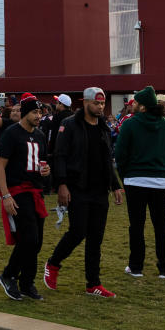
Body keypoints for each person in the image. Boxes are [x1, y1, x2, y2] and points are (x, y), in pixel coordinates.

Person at [44, 87, 123, 298]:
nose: (99, 107)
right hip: (77, 187)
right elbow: (59, 155)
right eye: (96, 103)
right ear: (85, 102)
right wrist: (61, 184)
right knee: (78, 232)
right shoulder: (69, 125)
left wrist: (115, 185)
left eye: (102, 103)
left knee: (96, 238)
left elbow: (107, 160)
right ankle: (53, 263)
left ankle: (93, 283)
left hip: (99, 190)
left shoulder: (103, 128)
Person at [114, 86, 165, 280]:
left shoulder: (129, 124)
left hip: (135, 180)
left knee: (136, 225)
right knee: (161, 225)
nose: (132, 105)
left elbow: (120, 154)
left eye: (135, 102)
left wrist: (126, 175)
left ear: (143, 106)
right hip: (160, 182)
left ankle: (136, 267)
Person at [0, 95, 52, 301]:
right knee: (29, 238)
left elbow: (40, 161)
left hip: (35, 191)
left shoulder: (39, 135)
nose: (38, 116)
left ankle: (27, 282)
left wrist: (45, 171)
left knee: (36, 242)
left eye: (40, 112)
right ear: (25, 114)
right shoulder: (11, 134)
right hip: (18, 191)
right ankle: (8, 274)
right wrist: (6, 195)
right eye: (34, 112)